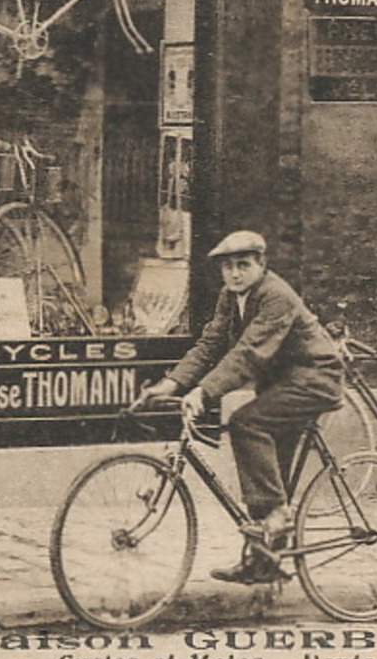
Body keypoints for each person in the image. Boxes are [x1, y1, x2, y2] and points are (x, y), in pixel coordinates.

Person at [141, 230, 343, 584]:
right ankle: (261, 562)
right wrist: (173, 383)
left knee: (246, 424)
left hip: (314, 380)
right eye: (228, 267)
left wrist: (203, 392)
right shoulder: (230, 296)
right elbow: (211, 343)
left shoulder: (276, 296)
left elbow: (248, 353)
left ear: (261, 265)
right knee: (265, 472)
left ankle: (279, 514)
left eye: (243, 266)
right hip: (282, 385)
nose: (235, 274)